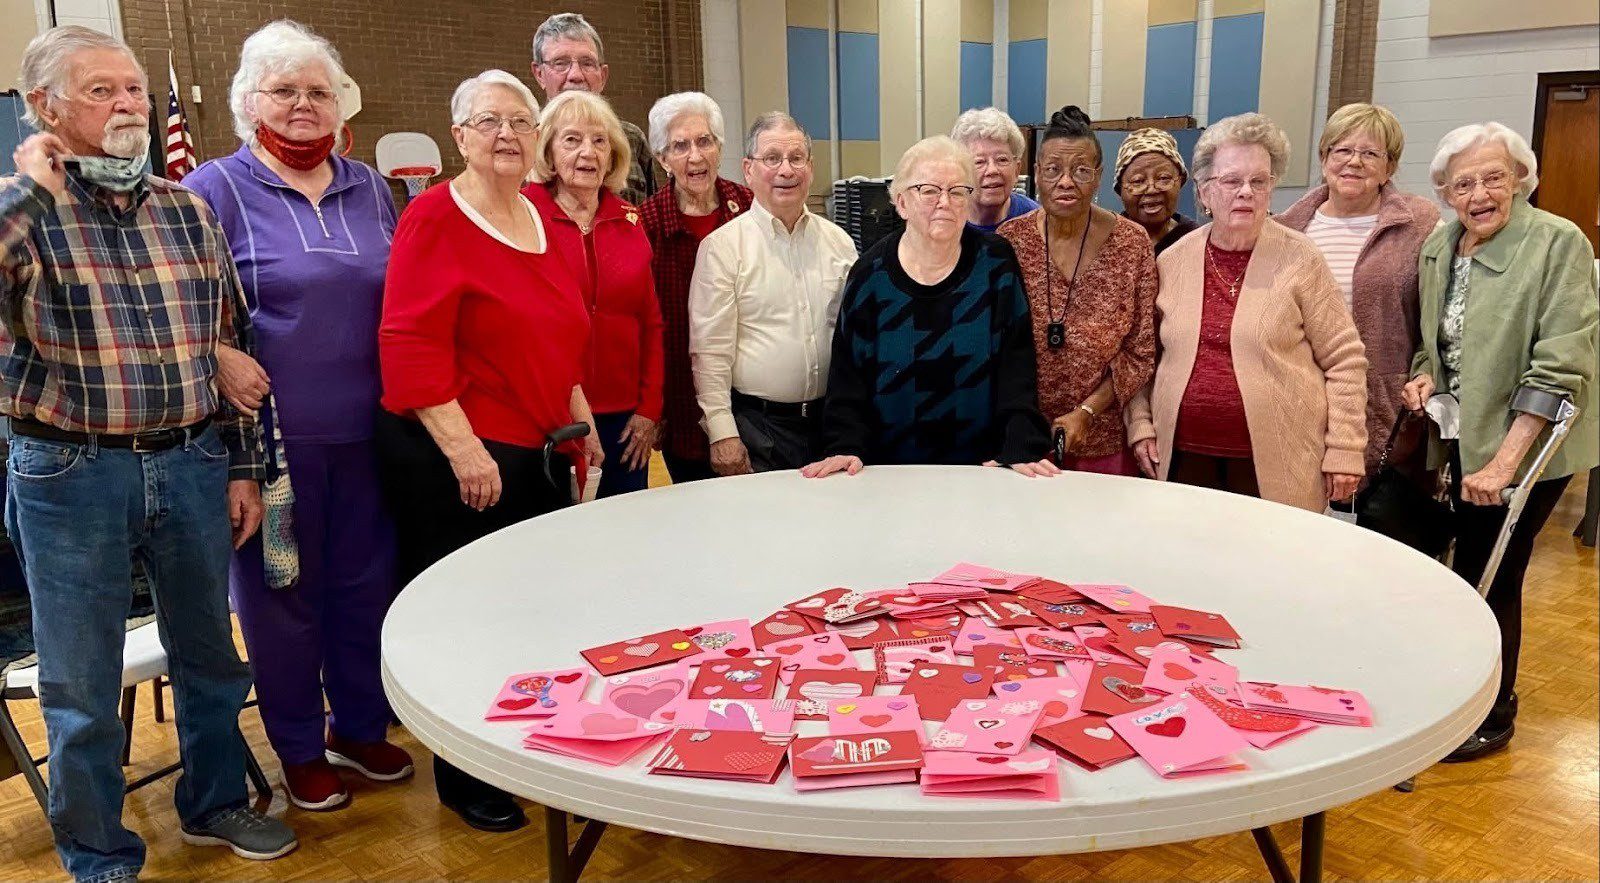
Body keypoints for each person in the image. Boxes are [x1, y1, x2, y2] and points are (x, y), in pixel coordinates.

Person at [3, 26, 297, 879]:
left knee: (210, 652)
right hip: (70, 473)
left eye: (134, 88)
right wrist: (30, 193)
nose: (129, 104)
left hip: (193, 459)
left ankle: (213, 803)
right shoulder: (22, 212)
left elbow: (227, 343)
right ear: (44, 108)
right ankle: (97, 850)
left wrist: (242, 465)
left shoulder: (185, 210)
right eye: (102, 91)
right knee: (81, 683)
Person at [182, 19, 412, 814]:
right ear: (250, 103)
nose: (304, 104)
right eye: (285, 90)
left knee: (366, 587)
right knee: (281, 600)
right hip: (270, 448)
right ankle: (299, 746)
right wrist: (213, 354)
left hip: (372, 434)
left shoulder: (369, 186)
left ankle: (358, 723)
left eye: (319, 90)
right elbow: (179, 308)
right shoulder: (214, 188)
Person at [377, 70, 603, 832]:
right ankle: (464, 774)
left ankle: (519, 747)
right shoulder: (435, 216)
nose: (507, 133)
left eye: (519, 120)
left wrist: (581, 419)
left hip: (537, 445)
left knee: (531, 615)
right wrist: (465, 450)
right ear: (458, 135)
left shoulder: (539, 215)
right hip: (458, 454)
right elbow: (409, 342)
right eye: (488, 121)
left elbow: (559, 333)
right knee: (466, 622)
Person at [1403, 122, 1598, 762]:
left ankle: (1493, 712)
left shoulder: (1556, 243)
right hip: (1462, 433)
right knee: (1456, 568)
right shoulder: (1440, 246)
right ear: (1445, 192)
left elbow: (1562, 363)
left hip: (1529, 445)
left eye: (1494, 177)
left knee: (1493, 571)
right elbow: (1434, 340)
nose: (1480, 193)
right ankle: (1455, 688)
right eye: (1464, 182)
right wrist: (1422, 374)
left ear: (1520, 179)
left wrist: (1504, 465)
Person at [1126, 113, 1368, 511]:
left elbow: (1344, 360)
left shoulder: (1300, 258)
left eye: (1260, 181)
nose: (1246, 193)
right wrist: (1140, 425)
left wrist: (1344, 448)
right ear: (1204, 192)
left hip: (1279, 461)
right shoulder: (1172, 261)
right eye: (1232, 181)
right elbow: (1142, 357)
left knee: (1270, 566)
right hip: (1184, 457)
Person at [802, 137, 1055, 478]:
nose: (945, 203)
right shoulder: (869, 275)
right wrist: (844, 446)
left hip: (981, 470)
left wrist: (1020, 442)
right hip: (889, 472)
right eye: (929, 190)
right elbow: (849, 376)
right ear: (902, 202)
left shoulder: (995, 262)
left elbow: (1017, 361)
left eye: (957, 191)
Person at [1277, 103, 1440, 482]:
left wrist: (1425, 371)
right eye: (1343, 150)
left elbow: (1440, 316)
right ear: (1324, 156)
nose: (1355, 162)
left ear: (1390, 167)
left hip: (1385, 401)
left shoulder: (1421, 224)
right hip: (1302, 397)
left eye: (1371, 154)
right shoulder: (1286, 229)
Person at [689, 112, 858, 473]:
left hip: (831, 425)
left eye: (797, 158)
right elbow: (709, 351)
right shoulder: (722, 248)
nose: (786, 170)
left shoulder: (839, 243)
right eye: (772, 159)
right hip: (758, 429)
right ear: (748, 169)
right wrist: (722, 434)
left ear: (810, 168)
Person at [999, 106, 1156, 475]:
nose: (1066, 181)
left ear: (1098, 176)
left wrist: (1086, 411)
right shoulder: (1010, 242)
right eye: (1053, 170)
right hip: (1022, 439)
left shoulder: (1132, 244)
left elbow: (1141, 351)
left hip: (1105, 440)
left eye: (1081, 170)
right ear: (1036, 174)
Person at [523, 91, 662, 498]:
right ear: (547, 147)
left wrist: (649, 408)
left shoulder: (630, 221)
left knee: (624, 533)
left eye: (600, 141)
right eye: (572, 139)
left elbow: (650, 322)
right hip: (549, 411)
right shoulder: (523, 217)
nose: (589, 152)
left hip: (624, 418)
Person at [641, 91, 753, 483]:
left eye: (704, 141)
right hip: (683, 410)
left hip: (751, 406)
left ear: (720, 147)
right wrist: (652, 409)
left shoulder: (751, 209)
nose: (695, 156)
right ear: (662, 159)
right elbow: (641, 328)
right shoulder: (645, 226)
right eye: (680, 146)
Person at [530, 12, 656, 205]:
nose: (575, 75)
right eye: (561, 63)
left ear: (603, 75)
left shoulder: (631, 139)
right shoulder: (524, 138)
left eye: (587, 63)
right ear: (539, 74)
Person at [949, 106, 1039, 233]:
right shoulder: (946, 221)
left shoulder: (1037, 222)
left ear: (1017, 170)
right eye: (979, 162)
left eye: (1002, 160)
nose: (992, 170)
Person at [1111, 127, 1199, 256]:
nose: (1152, 189)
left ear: (1180, 182)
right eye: (1138, 181)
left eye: (1163, 178)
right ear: (1119, 189)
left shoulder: (1196, 241)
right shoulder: (1104, 240)